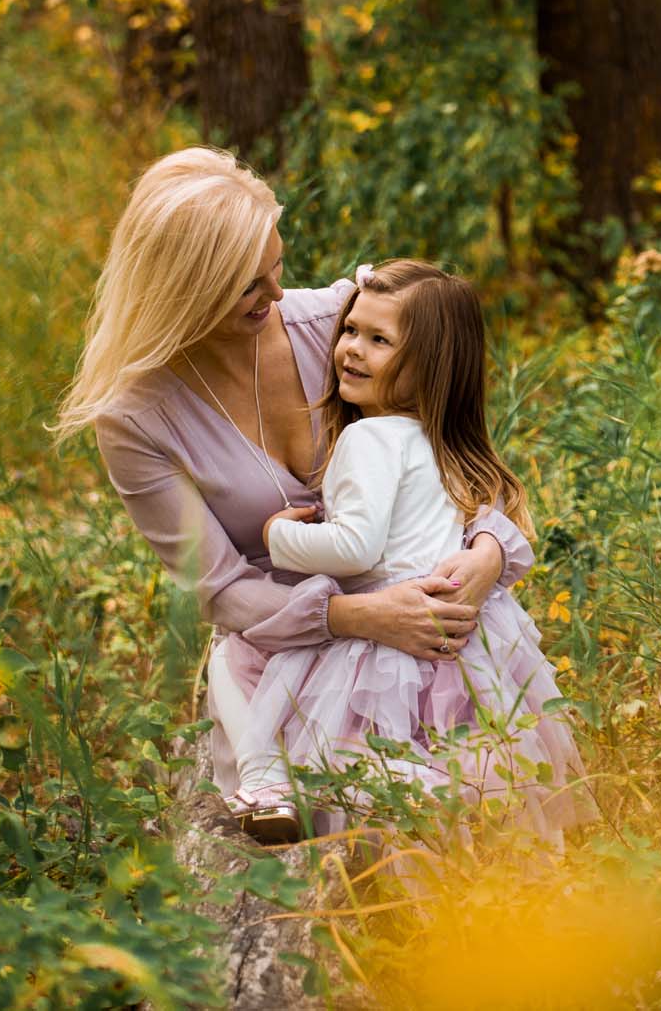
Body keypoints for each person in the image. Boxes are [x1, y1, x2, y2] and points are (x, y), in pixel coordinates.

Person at [52, 147, 538, 843]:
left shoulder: (344, 325)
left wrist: (487, 553)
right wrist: (358, 615)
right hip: (286, 646)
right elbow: (221, 589)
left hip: (424, 617)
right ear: (183, 286)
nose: (277, 296)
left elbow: (460, 451)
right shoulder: (135, 417)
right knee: (356, 812)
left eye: (277, 266)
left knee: (484, 797)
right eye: (248, 285)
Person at [250, 259, 589, 844]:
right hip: (468, 634)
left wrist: (278, 537)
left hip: (389, 627)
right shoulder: (442, 443)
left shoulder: (367, 436)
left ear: (429, 367)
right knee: (469, 753)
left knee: (341, 733)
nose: (352, 350)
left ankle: (268, 787)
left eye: (379, 340)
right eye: (351, 330)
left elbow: (356, 549)